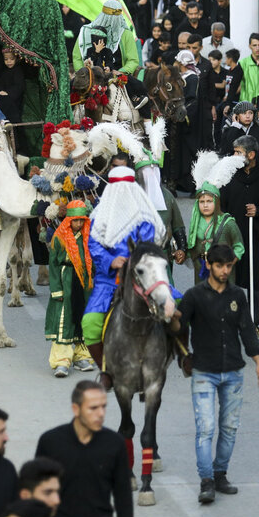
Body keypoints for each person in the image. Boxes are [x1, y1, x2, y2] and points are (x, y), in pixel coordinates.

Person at [172, 243, 259, 504]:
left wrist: (257, 361)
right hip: (204, 371)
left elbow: (247, 329)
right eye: (219, 266)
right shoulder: (194, 295)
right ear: (209, 265)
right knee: (206, 428)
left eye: (228, 266)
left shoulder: (237, 295)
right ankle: (206, 481)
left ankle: (220, 474)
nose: (224, 270)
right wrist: (173, 318)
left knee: (229, 427)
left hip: (234, 371)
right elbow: (180, 325)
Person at [82, 166, 168, 389]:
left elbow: (148, 246)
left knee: (174, 307)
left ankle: (181, 356)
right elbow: (93, 245)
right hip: (109, 280)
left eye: (127, 187)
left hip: (143, 277)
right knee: (90, 323)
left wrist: (133, 262)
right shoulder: (99, 217)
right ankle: (106, 370)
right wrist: (111, 261)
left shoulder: (146, 217)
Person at [35, 381, 133, 517]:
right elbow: (38, 491)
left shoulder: (115, 443)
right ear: (76, 409)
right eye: (93, 408)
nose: (101, 414)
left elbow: (123, 495)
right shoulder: (50, 442)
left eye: (103, 407)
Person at [220, 136, 259, 337]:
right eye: (234, 152)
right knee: (232, 282)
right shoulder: (229, 175)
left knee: (255, 283)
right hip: (233, 238)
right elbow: (222, 205)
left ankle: (253, 325)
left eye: (238, 152)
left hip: (257, 237)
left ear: (251, 155)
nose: (234, 156)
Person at [46, 200, 96, 378]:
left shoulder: (88, 236)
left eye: (82, 220)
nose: (79, 224)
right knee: (64, 320)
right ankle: (61, 361)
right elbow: (53, 264)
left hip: (83, 283)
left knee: (83, 318)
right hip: (65, 279)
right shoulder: (59, 237)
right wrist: (56, 289)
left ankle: (82, 356)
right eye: (75, 220)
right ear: (69, 220)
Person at [187, 152, 245, 281]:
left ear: (217, 202)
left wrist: (229, 263)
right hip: (201, 271)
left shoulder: (227, 223)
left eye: (209, 201)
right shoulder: (196, 222)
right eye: (202, 202)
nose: (205, 205)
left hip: (223, 274)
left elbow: (239, 246)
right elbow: (192, 246)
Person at [72, 0, 141, 76]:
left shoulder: (125, 33)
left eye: (115, 17)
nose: (112, 21)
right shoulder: (86, 31)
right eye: (109, 17)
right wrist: (83, 74)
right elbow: (77, 57)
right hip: (89, 77)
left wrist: (121, 72)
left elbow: (133, 60)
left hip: (117, 76)